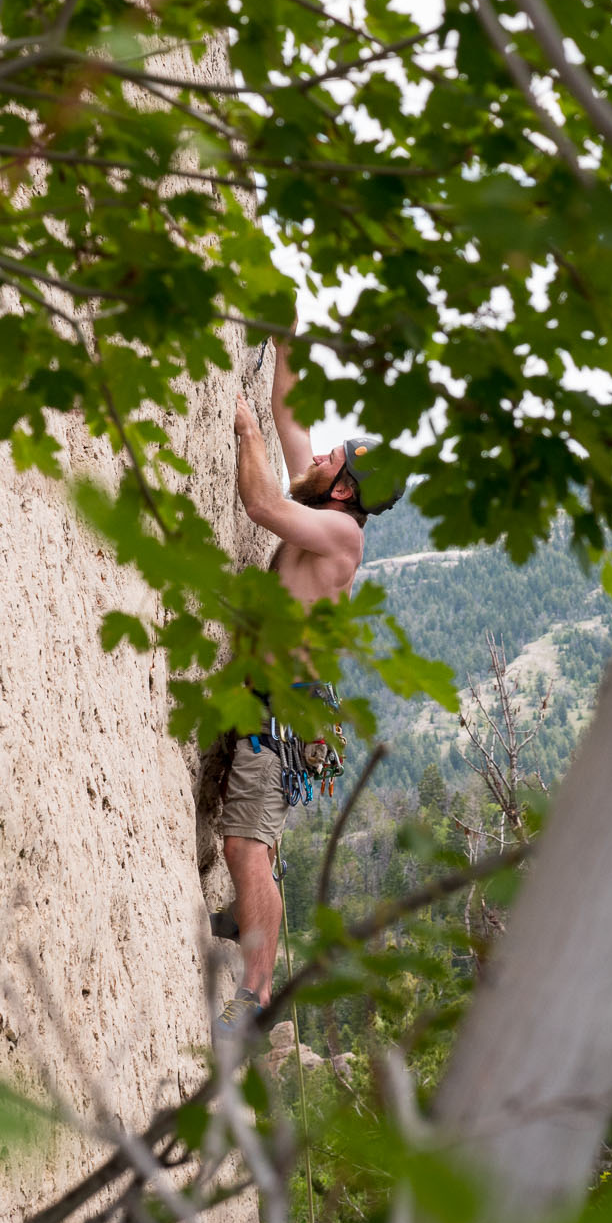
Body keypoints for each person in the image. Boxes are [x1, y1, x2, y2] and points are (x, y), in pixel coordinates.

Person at [217, 344, 398, 1041]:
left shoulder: (339, 537)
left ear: (346, 488)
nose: (319, 454)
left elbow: (260, 501)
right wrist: (286, 342)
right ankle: (246, 917)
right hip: (273, 699)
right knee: (252, 840)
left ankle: (256, 997)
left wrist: (245, 432)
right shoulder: (324, 501)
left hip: (282, 712)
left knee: (245, 845)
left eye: (333, 458)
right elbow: (290, 418)